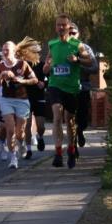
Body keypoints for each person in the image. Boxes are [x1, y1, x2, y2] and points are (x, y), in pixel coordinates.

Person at [43, 14, 92, 169]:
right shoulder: (52, 44)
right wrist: (46, 67)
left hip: (71, 88)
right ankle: (58, 153)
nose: (61, 27)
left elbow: (90, 61)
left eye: (64, 25)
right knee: (57, 115)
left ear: (69, 27)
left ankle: (71, 148)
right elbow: (47, 65)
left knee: (70, 121)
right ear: (55, 27)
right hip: (55, 85)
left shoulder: (78, 45)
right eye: (58, 25)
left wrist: (77, 60)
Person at [0, 39, 39, 170]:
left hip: (22, 100)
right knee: (10, 129)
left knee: (20, 131)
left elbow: (35, 80)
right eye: (3, 50)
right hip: (6, 100)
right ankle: (13, 158)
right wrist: (2, 75)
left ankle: (21, 142)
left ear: (14, 51)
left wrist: (22, 81)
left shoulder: (23, 64)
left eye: (7, 49)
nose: (4, 52)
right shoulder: (0, 66)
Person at [69, 23, 99, 149]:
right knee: (70, 116)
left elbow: (95, 67)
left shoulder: (85, 48)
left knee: (82, 117)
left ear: (78, 34)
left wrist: (78, 63)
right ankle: (72, 143)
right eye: (69, 33)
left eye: (73, 33)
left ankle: (80, 131)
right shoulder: (60, 48)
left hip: (83, 86)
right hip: (67, 87)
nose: (71, 35)